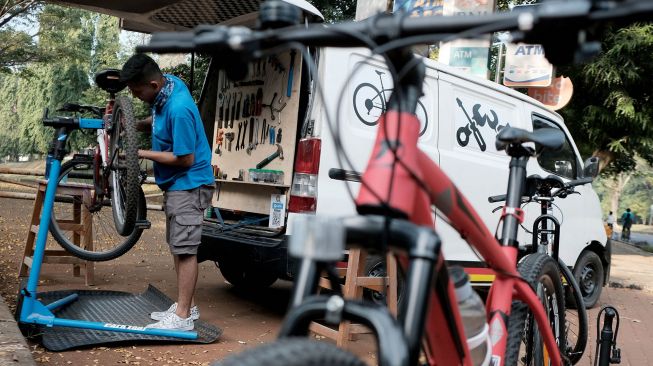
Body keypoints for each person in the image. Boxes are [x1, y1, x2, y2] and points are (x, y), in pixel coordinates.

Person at [120, 54, 215, 331]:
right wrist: (137, 125)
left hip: (190, 183)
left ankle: (183, 317)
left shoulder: (179, 108)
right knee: (177, 245)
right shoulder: (168, 86)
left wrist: (138, 153)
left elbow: (184, 158)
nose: (136, 97)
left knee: (185, 250)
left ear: (152, 83)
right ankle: (189, 306)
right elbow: (157, 119)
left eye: (138, 91)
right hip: (176, 185)